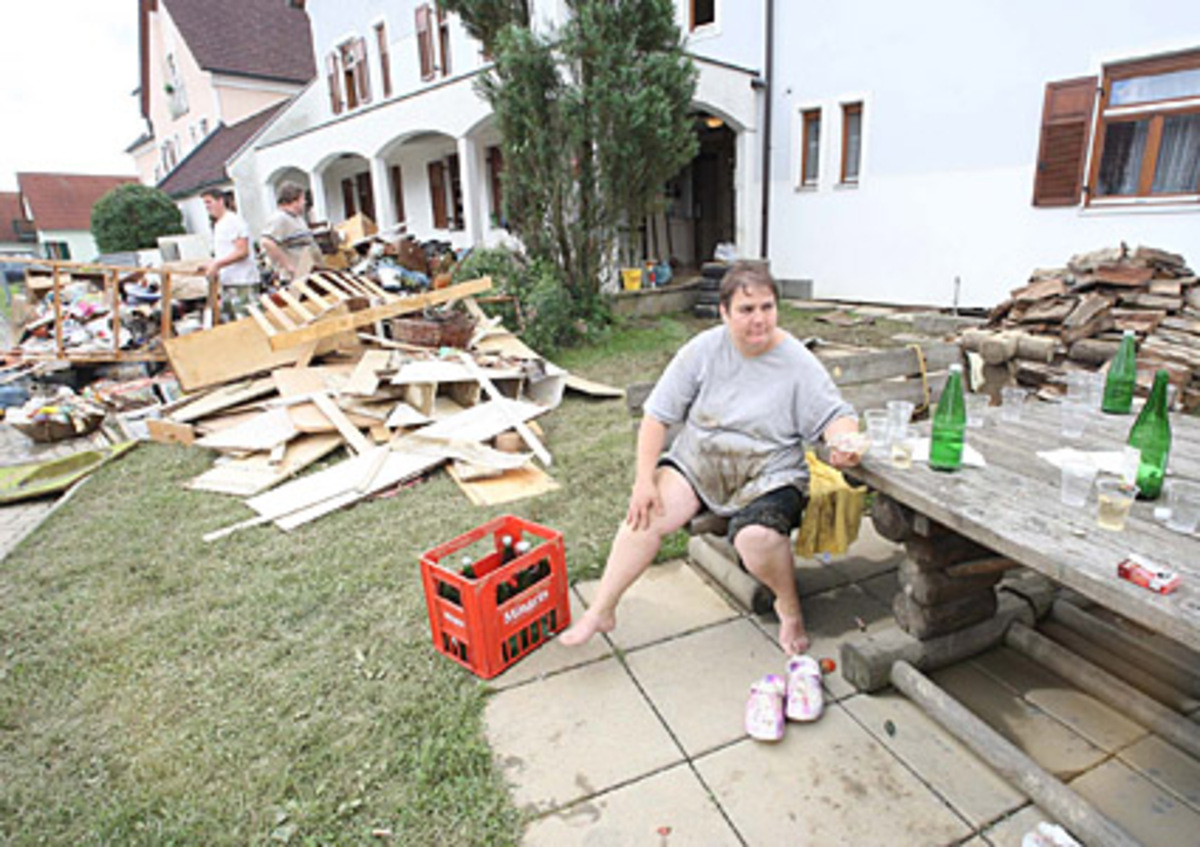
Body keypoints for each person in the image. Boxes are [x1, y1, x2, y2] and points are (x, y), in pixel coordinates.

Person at [561, 261, 862, 655]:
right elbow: (657, 416)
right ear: (723, 312)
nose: (759, 320)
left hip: (769, 473)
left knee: (756, 538)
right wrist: (643, 481)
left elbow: (835, 415)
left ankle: (789, 608)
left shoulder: (796, 360)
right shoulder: (703, 350)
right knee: (644, 516)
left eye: (767, 307)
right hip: (700, 462)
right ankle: (602, 610)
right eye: (746, 309)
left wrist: (845, 442)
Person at [200, 188, 260, 321]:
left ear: (220, 201)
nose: (207, 207)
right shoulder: (219, 224)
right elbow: (225, 252)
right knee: (232, 324)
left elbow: (242, 251)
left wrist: (217, 264)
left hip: (243, 281)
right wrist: (212, 264)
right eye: (205, 204)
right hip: (229, 282)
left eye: (209, 202)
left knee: (248, 321)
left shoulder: (233, 221)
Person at [260, 181, 322, 283]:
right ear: (294, 200)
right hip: (296, 278)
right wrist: (289, 266)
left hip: (309, 274)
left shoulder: (296, 218)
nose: (304, 202)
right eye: (302, 199)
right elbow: (267, 242)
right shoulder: (280, 218)